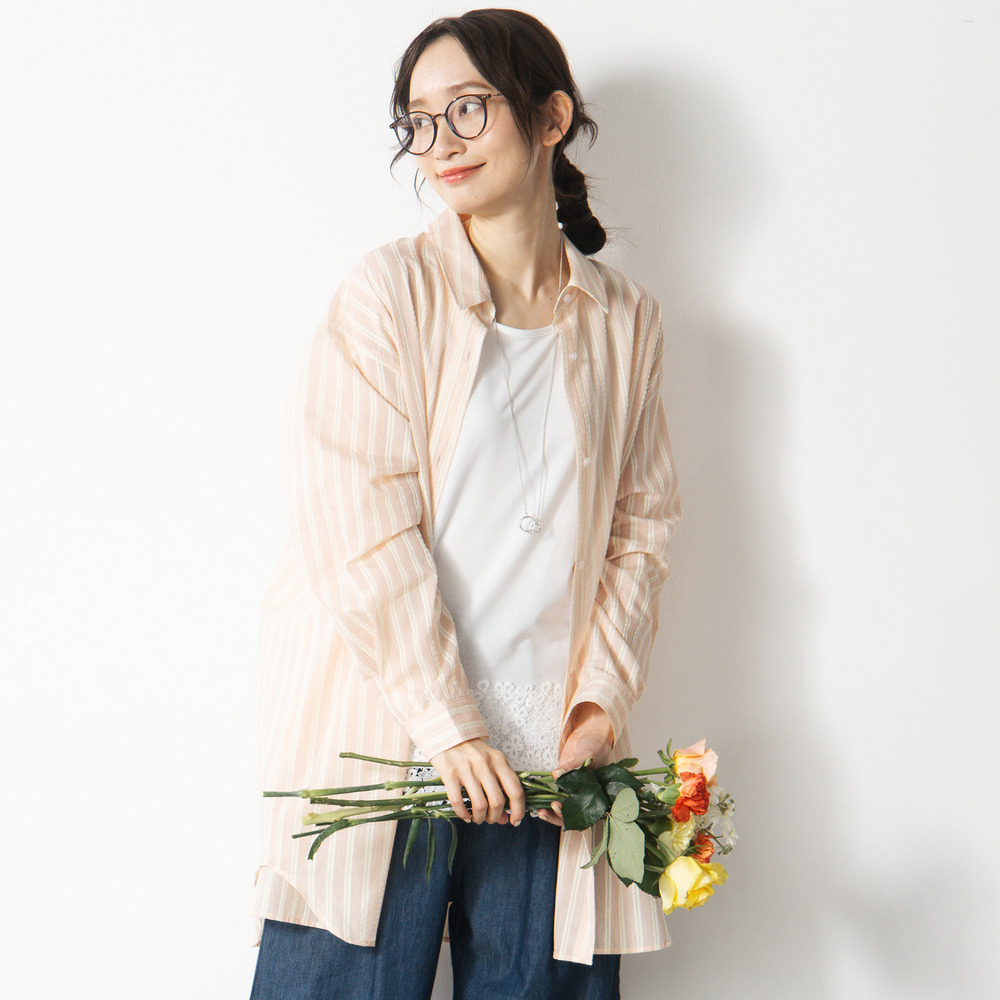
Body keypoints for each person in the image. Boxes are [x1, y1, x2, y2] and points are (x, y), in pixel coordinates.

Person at [248, 9, 681, 999]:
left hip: (547, 761)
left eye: (468, 109)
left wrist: (597, 710)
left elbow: (642, 529)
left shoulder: (627, 319)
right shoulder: (387, 292)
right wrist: (448, 726)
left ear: (551, 118)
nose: (439, 142)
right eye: (419, 121)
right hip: (391, 729)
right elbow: (357, 528)